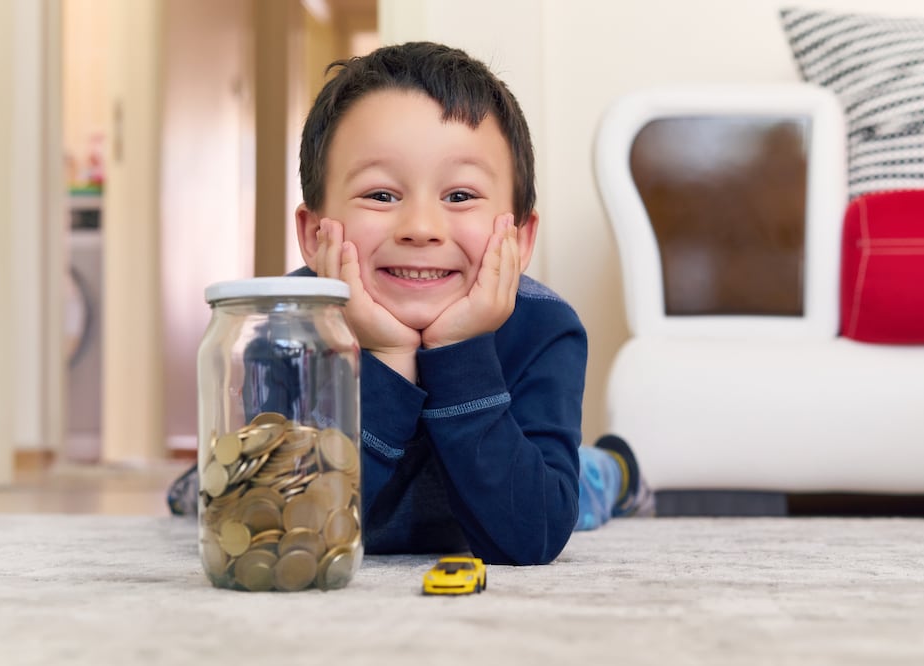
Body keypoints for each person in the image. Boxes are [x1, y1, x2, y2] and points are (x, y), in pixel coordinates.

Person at [169, 41, 649, 564]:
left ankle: (613, 468)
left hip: (516, 471)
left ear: (520, 238)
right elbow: (293, 528)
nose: (421, 228)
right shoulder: (281, 332)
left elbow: (529, 536)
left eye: (460, 196)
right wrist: (387, 358)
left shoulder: (545, 328)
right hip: (368, 492)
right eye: (381, 195)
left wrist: (460, 347)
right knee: (230, 486)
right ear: (312, 234)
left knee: (582, 488)